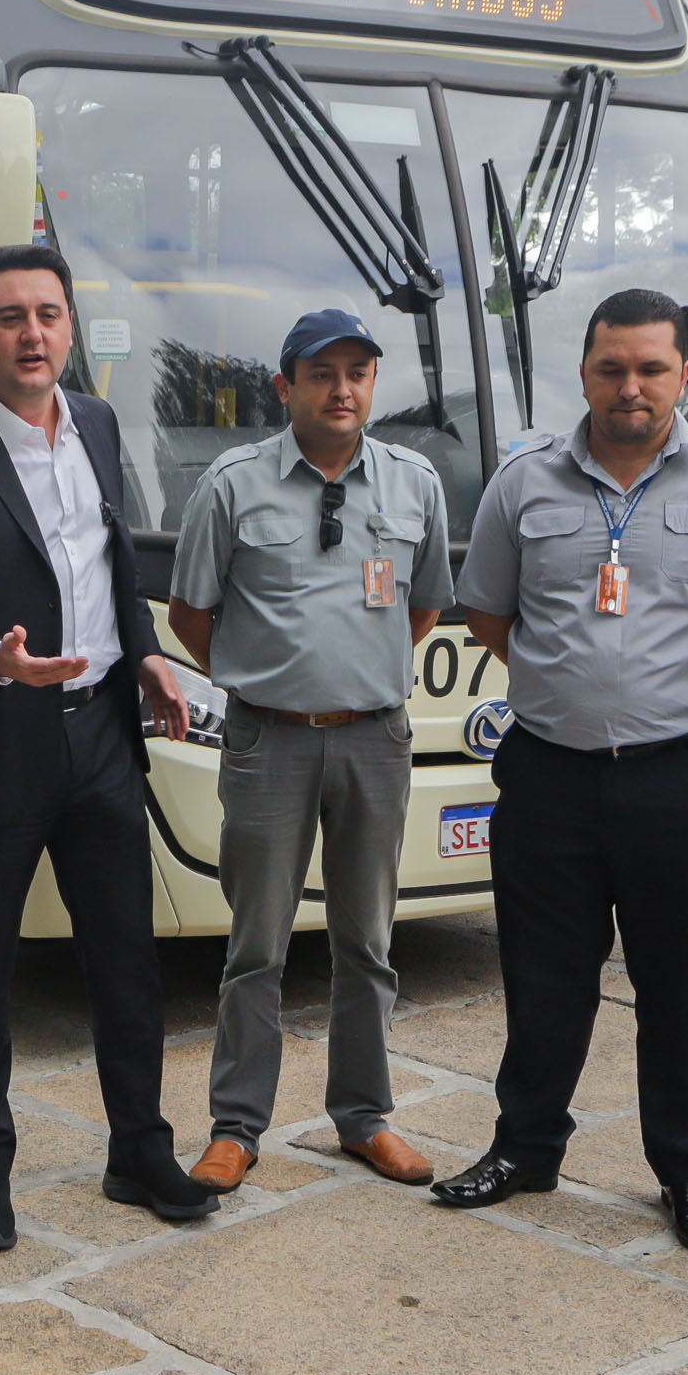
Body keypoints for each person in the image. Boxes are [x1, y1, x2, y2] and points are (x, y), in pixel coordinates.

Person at [431, 287, 688, 1256]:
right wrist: (574, 690)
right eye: (609, 367)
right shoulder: (523, 482)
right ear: (582, 372)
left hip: (680, 777)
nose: (629, 387)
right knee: (542, 977)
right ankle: (526, 1146)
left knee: (680, 983)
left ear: (684, 373)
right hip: (547, 775)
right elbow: (491, 615)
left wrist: (662, 692)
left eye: (649, 368)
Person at [0, 243, 211, 1251]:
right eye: (10, 316)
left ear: (70, 326)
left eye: (48, 315)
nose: (31, 334)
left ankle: (138, 1147)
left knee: (127, 958)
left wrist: (144, 653)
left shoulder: (98, 423)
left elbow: (106, 566)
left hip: (101, 731)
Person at [166, 309, 452, 1193]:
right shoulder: (232, 483)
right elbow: (191, 615)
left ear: (373, 385)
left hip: (374, 739)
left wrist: (354, 679)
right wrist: (270, 681)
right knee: (257, 946)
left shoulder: (415, 484)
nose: (342, 389)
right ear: (285, 385)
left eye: (358, 372)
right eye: (322, 373)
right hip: (269, 742)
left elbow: (424, 606)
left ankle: (364, 1117)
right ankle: (236, 1127)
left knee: (368, 940)